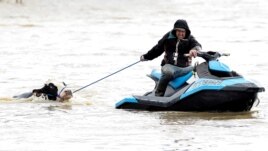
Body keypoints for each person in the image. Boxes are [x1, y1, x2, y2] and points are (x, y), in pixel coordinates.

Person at [140, 19, 202, 96]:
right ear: (175, 31)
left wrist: (194, 50)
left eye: (183, 31)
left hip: (185, 68)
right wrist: (146, 56)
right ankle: (158, 94)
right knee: (168, 72)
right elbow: (157, 49)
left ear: (186, 31)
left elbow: (197, 45)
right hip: (169, 67)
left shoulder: (190, 38)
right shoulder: (168, 37)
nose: (181, 33)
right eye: (178, 31)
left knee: (199, 69)